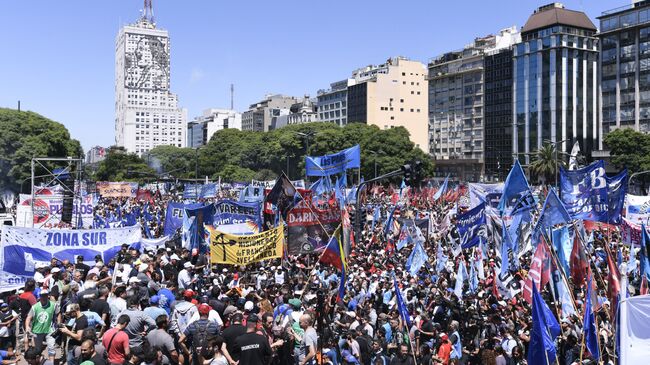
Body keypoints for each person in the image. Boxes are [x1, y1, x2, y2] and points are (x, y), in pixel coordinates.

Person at [24, 289, 59, 363]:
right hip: (37, 331)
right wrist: (27, 326)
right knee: (37, 350)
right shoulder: (35, 307)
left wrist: (59, 323)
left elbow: (58, 313)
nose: (44, 297)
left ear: (48, 296)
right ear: (40, 296)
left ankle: (51, 363)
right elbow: (28, 317)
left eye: (45, 295)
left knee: (51, 348)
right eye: (42, 295)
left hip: (50, 330)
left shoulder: (53, 305)